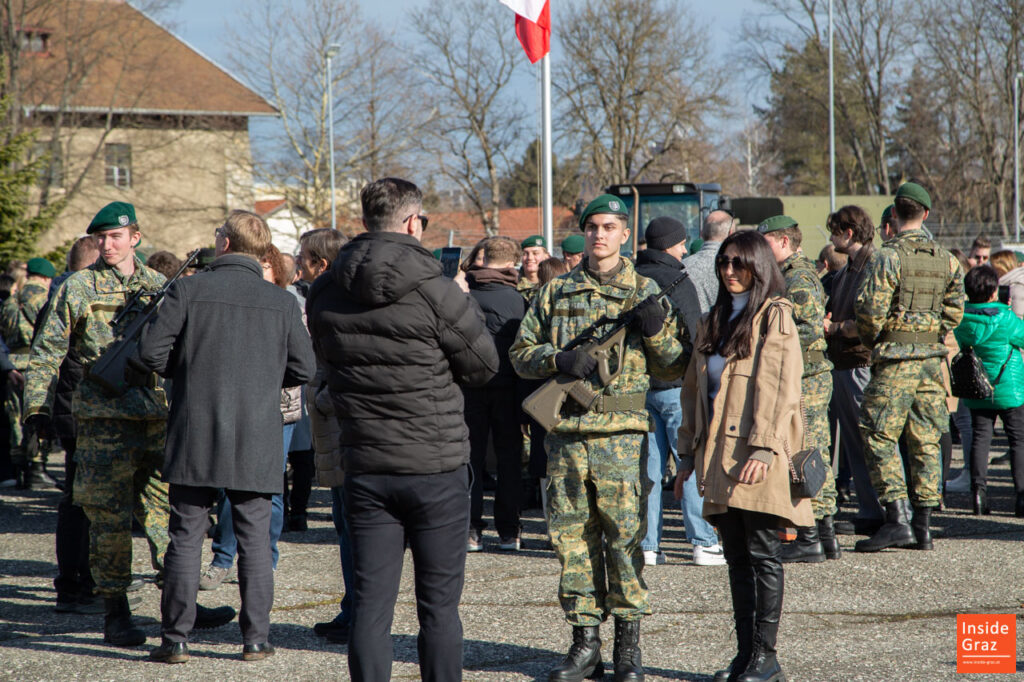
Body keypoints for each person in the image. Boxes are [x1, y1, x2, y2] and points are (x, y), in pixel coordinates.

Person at [307, 177, 498, 681]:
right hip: (434, 465)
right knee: (437, 607)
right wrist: (463, 301)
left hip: (366, 464)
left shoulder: (325, 289)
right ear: (414, 223)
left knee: (371, 607)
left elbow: (327, 361)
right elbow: (483, 366)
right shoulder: (436, 289)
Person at [23, 201, 233, 647]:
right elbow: (47, 353)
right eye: (100, 238)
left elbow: (182, 354)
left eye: (116, 237)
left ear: (135, 238)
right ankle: (115, 612)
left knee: (166, 519)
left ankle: (181, 605)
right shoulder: (78, 287)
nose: (107, 244)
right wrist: (37, 410)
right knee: (108, 521)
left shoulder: (160, 285)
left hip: (155, 419)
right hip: (102, 424)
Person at [510, 194, 686, 682]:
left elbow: (674, 366)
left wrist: (655, 333)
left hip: (621, 439)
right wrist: (557, 359)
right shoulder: (555, 292)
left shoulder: (646, 291)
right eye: (592, 227)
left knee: (624, 538)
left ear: (625, 234)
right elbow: (520, 353)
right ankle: (585, 644)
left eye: (610, 227)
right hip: (565, 436)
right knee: (571, 541)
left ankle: (628, 646)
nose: (600, 235)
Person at [135, 210, 315, 663]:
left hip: (196, 427)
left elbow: (150, 353)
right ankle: (255, 639)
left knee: (185, 536)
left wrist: (190, 369)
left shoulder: (190, 289)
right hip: (257, 431)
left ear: (227, 244)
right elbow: (304, 369)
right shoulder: (282, 302)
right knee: (255, 540)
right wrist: (264, 378)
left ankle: (175, 639)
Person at [675, 229, 812, 682]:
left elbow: (781, 388)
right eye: (724, 263)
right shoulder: (711, 321)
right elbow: (694, 393)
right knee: (735, 557)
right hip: (716, 455)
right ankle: (744, 656)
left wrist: (765, 446)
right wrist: (685, 457)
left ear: (760, 265)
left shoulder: (776, 315)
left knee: (762, 553)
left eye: (740, 263)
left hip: (758, 453)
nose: (730, 271)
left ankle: (765, 658)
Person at [854, 182, 965, 553]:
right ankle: (925, 524)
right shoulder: (947, 258)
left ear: (895, 214)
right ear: (926, 215)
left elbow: (869, 313)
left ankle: (898, 518)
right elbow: (954, 311)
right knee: (927, 437)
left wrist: (882, 341)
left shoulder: (887, 257)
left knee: (878, 432)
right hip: (932, 361)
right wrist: (930, 334)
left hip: (896, 360)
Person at [200, 245, 305, 591]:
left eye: (264, 266)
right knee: (229, 486)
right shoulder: (240, 301)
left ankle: (264, 557)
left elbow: (301, 361)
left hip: (279, 408)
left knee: (270, 488)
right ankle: (223, 558)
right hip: (239, 406)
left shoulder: (288, 304)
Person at [634, 216, 723, 567]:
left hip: (638, 388)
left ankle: (648, 546)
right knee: (690, 463)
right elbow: (695, 330)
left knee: (650, 472)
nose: (686, 250)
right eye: (682, 243)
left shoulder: (633, 278)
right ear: (669, 244)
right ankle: (702, 542)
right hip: (674, 388)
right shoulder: (677, 278)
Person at [759, 215, 840, 563]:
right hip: (803, 375)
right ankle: (824, 536)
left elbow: (808, 330)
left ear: (781, 242)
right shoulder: (788, 274)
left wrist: (775, 346)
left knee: (806, 453)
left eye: (765, 243)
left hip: (806, 377)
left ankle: (812, 537)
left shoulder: (798, 277)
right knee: (808, 449)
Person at [290, 226, 356, 644]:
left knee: (352, 525)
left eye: (303, 257)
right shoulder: (326, 296)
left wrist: (324, 396)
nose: (297, 263)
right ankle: (353, 610)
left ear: (322, 264)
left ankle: (357, 614)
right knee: (343, 522)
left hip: (344, 428)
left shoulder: (332, 302)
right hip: (332, 425)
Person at [464, 237, 529, 551]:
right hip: (509, 390)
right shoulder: (519, 301)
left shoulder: (462, 295)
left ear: (484, 258)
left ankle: (470, 529)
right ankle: (509, 532)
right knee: (509, 462)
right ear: (511, 263)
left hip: (467, 389)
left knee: (470, 461)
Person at [823, 206, 884, 536]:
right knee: (853, 444)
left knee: (870, 442)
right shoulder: (848, 269)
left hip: (861, 364)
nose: (831, 238)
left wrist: (834, 328)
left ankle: (883, 509)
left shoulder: (872, 266)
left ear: (848, 233)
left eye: (834, 231)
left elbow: (873, 319)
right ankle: (870, 509)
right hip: (845, 365)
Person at [953, 265, 1024, 517]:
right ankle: (1021, 496)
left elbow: (963, 343)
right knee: (1018, 440)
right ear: (994, 292)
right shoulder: (1005, 318)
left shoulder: (962, 319)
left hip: (977, 387)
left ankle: (979, 494)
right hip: (1009, 388)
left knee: (981, 438)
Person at [1, 256, 55, 488]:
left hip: (12, 363)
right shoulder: (42, 298)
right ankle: (37, 468)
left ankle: (17, 469)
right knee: (36, 415)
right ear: (45, 277)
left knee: (14, 418)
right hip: (34, 362)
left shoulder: (10, 300)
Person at [683, 209, 735, 338]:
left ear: (701, 234)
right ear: (731, 234)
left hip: (693, 342)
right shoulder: (738, 268)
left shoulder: (682, 267)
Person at [518, 234, 549, 301]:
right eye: (525, 254)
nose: (530, 258)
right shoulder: (513, 284)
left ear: (546, 256)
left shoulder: (552, 284)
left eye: (535, 253)